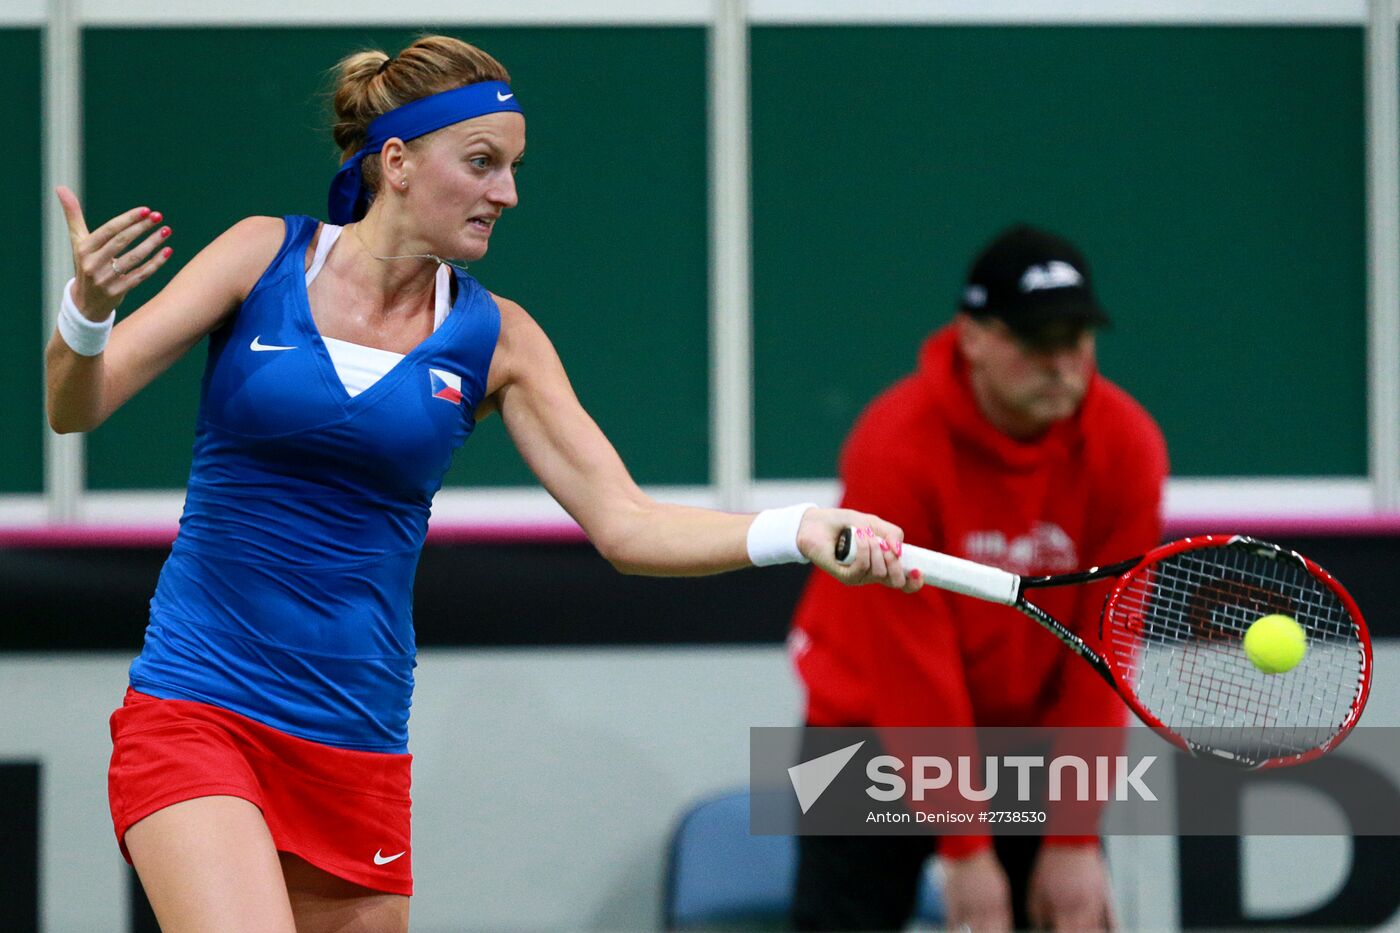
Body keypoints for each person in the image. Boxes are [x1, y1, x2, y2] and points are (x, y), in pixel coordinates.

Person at [44, 35, 923, 933]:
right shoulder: (259, 257)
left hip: (356, 736)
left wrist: (796, 527)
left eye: (512, 167)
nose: (507, 192)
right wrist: (86, 314)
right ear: (396, 163)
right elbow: (76, 406)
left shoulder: (498, 340)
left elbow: (627, 526)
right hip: (201, 707)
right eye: (482, 164)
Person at [788, 224, 1168, 932]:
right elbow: (911, 668)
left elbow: (1101, 658)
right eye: (1036, 342)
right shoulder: (895, 445)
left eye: (1077, 340)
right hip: (865, 726)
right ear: (973, 337)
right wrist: (964, 854)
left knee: (1073, 908)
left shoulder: (1126, 446)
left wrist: (1074, 837)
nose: (1062, 364)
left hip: (1029, 735)